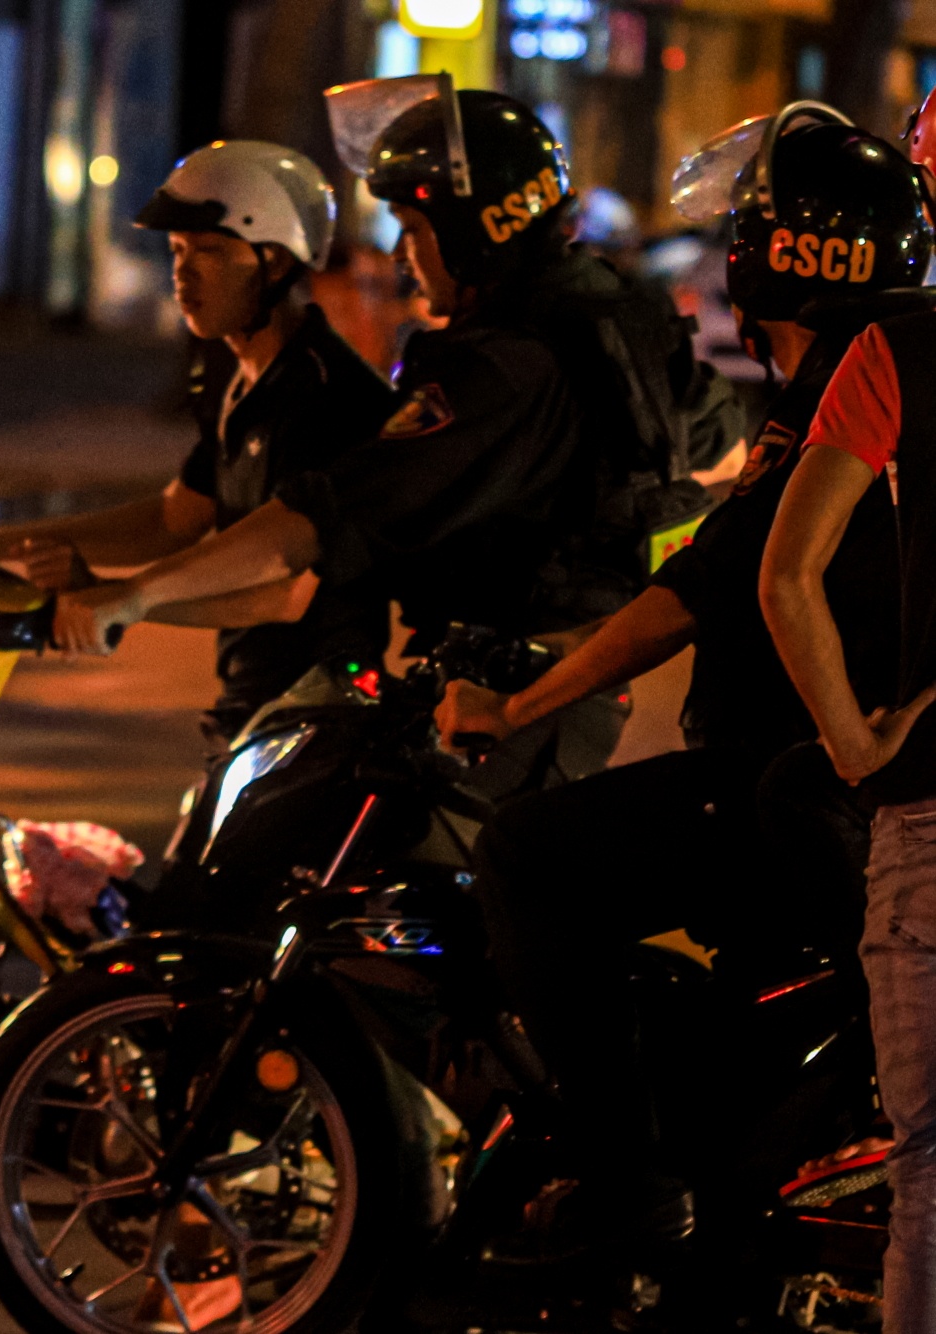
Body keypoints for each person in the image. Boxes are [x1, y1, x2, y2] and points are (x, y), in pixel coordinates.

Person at [439, 105, 928, 1260]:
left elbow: (704, 588)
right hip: (808, 782)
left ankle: (625, 1179)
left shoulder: (838, 395)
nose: (727, 252)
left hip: (789, 783)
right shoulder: (869, 379)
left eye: (745, 228)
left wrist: (511, 708)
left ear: (790, 253)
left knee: (524, 853)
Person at [55, 79, 734, 794]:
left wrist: (135, 597)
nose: (403, 256)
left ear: (477, 229)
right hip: (533, 674)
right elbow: (715, 425)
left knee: (408, 880)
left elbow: (327, 513)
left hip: (523, 690)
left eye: (414, 231)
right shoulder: (596, 317)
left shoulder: (501, 371)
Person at [0, 141, 398, 744]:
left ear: (273, 262)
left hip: (320, 715)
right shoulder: (231, 370)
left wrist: (121, 601)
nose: (182, 273)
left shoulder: (328, 394)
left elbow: (284, 593)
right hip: (248, 707)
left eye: (210, 251)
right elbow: (176, 516)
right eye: (177, 251)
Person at [760, 88, 936, 1334]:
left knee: (930, 1158)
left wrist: (850, 736)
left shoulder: (894, 352)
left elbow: (783, 573)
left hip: (930, 806)